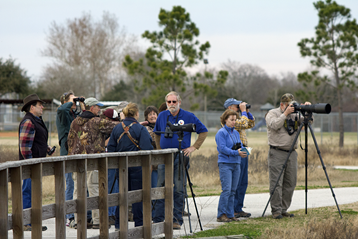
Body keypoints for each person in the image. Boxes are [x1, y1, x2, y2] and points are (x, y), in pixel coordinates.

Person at [152, 91, 208, 230]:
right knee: (160, 186)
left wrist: (194, 147)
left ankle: (176, 220)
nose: (171, 104)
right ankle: (158, 219)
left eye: (174, 102)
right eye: (169, 102)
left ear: (179, 102)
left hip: (181, 156)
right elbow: (157, 134)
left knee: (178, 188)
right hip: (165, 156)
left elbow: (203, 131)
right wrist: (159, 151)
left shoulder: (188, 116)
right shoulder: (162, 116)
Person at [67, 97, 119, 229]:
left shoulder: (74, 122)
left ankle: (80, 220)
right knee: (94, 189)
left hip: (76, 161)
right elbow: (116, 126)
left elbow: (70, 141)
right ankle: (98, 221)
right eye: (98, 107)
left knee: (78, 191)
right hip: (92, 161)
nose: (100, 109)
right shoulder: (95, 121)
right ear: (91, 108)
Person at [107, 103, 154, 229]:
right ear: (137, 114)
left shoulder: (117, 128)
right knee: (137, 197)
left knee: (121, 196)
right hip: (137, 168)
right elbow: (147, 148)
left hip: (121, 167)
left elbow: (110, 148)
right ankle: (139, 225)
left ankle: (119, 224)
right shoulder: (140, 129)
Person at [265, 93, 312, 219]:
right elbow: (274, 125)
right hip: (277, 152)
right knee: (276, 183)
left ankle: (284, 209)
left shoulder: (296, 114)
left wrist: (307, 111)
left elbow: (308, 123)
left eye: (293, 105)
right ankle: (276, 210)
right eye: (289, 105)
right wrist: (285, 114)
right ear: (282, 105)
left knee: (290, 182)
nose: (292, 107)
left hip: (292, 153)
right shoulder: (272, 113)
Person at [19, 94, 55, 231]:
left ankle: (32, 222)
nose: (43, 107)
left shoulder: (36, 120)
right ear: (32, 107)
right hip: (30, 165)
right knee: (28, 192)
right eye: (40, 105)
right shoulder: (28, 121)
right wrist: (30, 163)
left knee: (34, 192)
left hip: (35, 163)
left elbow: (36, 141)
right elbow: (24, 147)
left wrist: (46, 148)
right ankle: (26, 223)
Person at [56, 90, 85, 226]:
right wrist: (70, 102)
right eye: (72, 100)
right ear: (65, 102)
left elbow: (84, 118)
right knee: (70, 185)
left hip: (76, 152)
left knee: (79, 184)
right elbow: (62, 108)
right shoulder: (62, 113)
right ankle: (69, 216)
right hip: (67, 153)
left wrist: (81, 103)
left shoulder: (74, 114)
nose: (74, 103)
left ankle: (78, 213)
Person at [223, 98, 255, 218]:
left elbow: (251, 123)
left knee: (243, 182)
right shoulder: (227, 120)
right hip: (235, 152)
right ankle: (232, 209)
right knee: (235, 182)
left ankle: (238, 208)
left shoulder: (239, 118)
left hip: (244, 150)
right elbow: (244, 123)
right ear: (229, 107)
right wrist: (243, 112)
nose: (238, 108)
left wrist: (246, 111)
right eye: (237, 106)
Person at [216, 109, 247, 222]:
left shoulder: (236, 133)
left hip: (236, 163)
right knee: (227, 190)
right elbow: (222, 149)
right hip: (225, 163)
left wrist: (244, 152)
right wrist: (236, 153)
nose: (234, 122)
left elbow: (239, 146)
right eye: (231, 120)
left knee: (233, 190)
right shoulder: (221, 133)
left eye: (235, 119)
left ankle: (230, 214)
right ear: (225, 120)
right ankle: (221, 214)